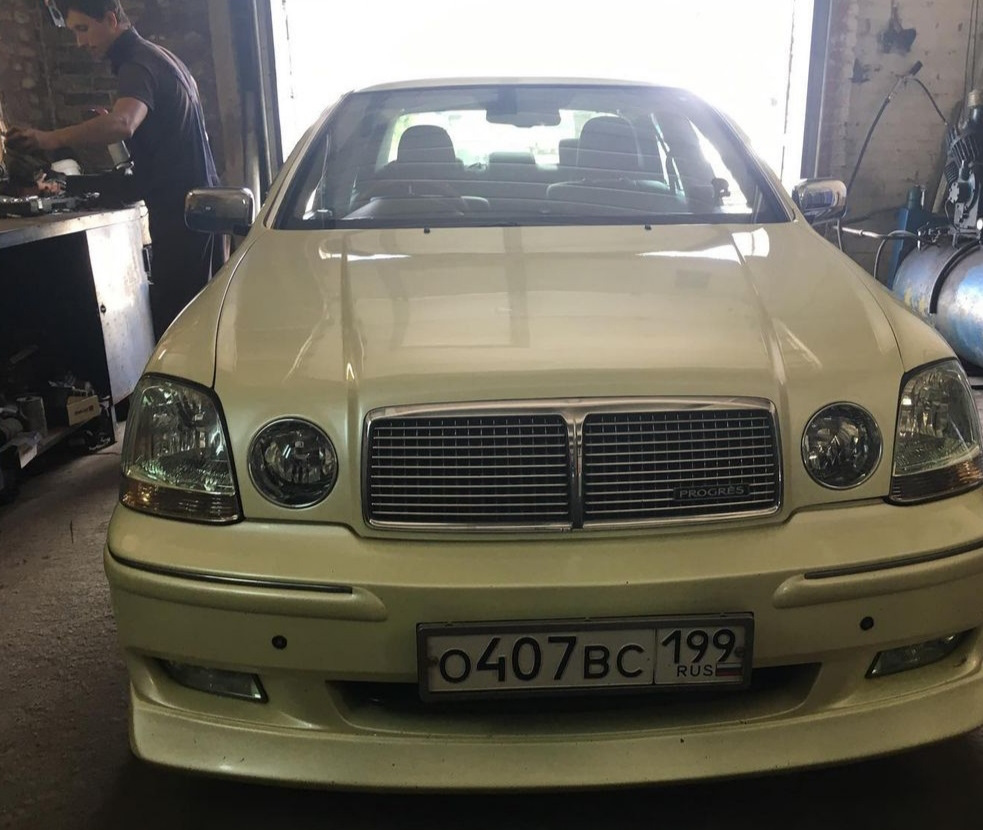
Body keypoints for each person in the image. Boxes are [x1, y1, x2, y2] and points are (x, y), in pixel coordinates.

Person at [6, 0, 226, 341]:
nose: (80, 42)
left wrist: (50, 138)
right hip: (201, 210)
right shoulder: (162, 57)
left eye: (83, 29)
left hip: (181, 217)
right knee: (202, 324)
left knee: (179, 329)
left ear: (111, 20)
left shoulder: (136, 64)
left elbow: (124, 123)